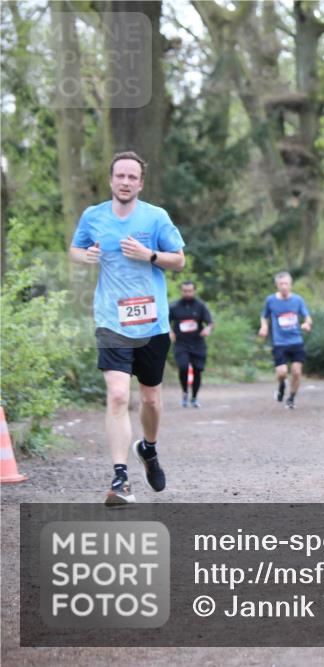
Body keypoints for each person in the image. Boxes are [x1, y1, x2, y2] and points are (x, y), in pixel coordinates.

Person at [68, 151, 186, 506]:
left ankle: (148, 449)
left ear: (141, 183)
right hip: (111, 319)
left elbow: (179, 260)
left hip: (152, 322)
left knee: (150, 398)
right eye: (120, 176)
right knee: (118, 395)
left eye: (132, 177)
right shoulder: (94, 216)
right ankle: (120, 480)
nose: (125, 182)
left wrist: (148, 255)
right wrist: (84, 255)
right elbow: (75, 248)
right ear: (111, 179)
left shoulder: (156, 217)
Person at [258, 272, 312, 409]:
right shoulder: (271, 300)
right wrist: (264, 327)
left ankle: (291, 398)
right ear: (277, 285)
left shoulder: (298, 300)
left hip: (296, 341)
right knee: (282, 373)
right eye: (281, 284)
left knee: (296, 372)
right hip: (279, 343)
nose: (283, 286)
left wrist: (307, 324)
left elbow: (307, 316)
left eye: (286, 283)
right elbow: (264, 316)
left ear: (291, 285)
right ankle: (281, 386)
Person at [168, 280, 213, 408]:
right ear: (181, 291)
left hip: (197, 343)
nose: (187, 293)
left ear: (194, 291)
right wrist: (170, 332)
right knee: (183, 367)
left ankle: (194, 397)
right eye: (184, 291)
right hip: (181, 343)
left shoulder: (201, 306)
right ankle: (184, 392)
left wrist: (207, 329)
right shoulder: (174, 306)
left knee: (198, 370)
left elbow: (210, 322)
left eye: (189, 291)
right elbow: (165, 322)